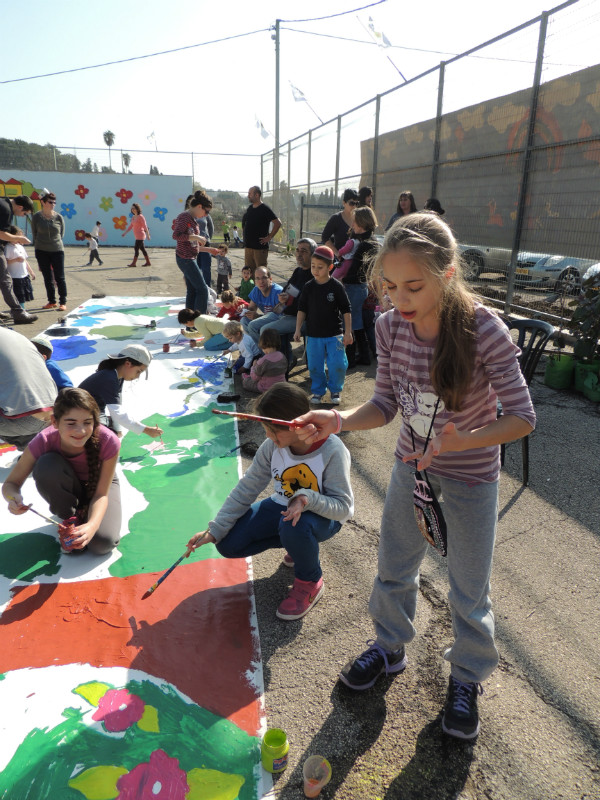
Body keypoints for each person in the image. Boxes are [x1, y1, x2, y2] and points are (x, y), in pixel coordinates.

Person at [293, 212, 536, 740]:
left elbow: (523, 417)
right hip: (411, 471)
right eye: (389, 285)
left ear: (447, 275)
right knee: (394, 565)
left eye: (414, 286)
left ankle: (466, 678)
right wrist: (335, 420)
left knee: (469, 588)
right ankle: (389, 647)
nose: (399, 298)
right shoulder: (386, 326)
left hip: (471, 476)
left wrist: (464, 440)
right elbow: (384, 404)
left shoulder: (483, 329)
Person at [186, 383, 354, 620]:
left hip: (324, 518)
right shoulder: (271, 446)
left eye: (272, 430)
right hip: (284, 509)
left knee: (293, 525)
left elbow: (343, 508)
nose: (267, 435)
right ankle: (299, 546)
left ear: (297, 425)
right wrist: (215, 529)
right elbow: (247, 487)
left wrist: (306, 498)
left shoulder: (332, 449)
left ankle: (311, 580)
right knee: (228, 543)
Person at [3, 387, 122, 555]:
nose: (80, 431)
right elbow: (10, 484)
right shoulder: (43, 441)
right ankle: (70, 518)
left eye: (87, 422)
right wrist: (12, 498)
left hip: (99, 486)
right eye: (71, 423)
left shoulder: (109, 441)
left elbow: (101, 494)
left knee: (102, 544)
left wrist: (92, 526)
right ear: (54, 422)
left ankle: (85, 516)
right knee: (46, 464)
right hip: (67, 487)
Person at [294, 245, 352, 406]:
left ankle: (335, 390)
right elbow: (301, 309)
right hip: (313, 335)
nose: (316, 270)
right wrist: (298, 329)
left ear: (330, 267)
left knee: (338, 364)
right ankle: (318, 391)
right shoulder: (308, 287)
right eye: (313, 266)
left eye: (320, 267)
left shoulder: (336, 286)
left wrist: (348, 332)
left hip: (335, 335)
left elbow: (346, 310)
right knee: (314, 365)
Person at [79, 344, 163, 440]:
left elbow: (117, 408)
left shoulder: (117, 376)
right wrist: (146, 429)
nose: (137, 376)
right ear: (128, 364)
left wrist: (117, 429)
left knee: (110, 432)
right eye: (138, 371)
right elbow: (117, 413)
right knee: (104, 438)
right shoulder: (109, 378)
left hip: (92, 412)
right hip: (80, 414)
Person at [0, 327, 56, 449]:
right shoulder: (14, 334)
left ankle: (31, 447)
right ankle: (33, 450)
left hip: (23, 419)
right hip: (51, 413)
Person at [340, 206, 379, 368]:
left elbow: (354, 270)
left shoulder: (363, 245)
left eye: (355, 222)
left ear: (362, 224)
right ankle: (363, 356)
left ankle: (350, 359)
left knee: (350, 322)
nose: (353, 224)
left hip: (354, 286)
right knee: (358, 323)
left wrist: (341, 279)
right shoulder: (373, 241)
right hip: (362, 286)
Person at [172, 190, 219, 315]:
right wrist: (196, 237)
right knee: (203, 289)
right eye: (206, 211)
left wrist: (209, 250)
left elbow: (191, 245)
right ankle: (200, 319)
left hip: (190, 258)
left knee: (192, 289)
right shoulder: (184, 217)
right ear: (199, 206)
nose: (206, 215)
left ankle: (189, 318)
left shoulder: (192, 219)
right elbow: (176, 235)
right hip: (185, 259)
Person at [0, 194, 38, 324]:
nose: (23, 216)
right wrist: (18, 239)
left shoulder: (3, 202)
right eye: (25, 213)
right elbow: (1, 233)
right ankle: (18, 312)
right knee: (5, 280)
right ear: (20, 206)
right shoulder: (6, 209)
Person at [31, 190, 68, 311]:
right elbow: (34, 234)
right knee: (47, 277)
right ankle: (51, 301)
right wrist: (39, 245)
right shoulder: (36, 217)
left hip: (57, 250)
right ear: (43, 202)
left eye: (54, 202)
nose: (53, 204)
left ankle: (63, 301)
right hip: (41, 251)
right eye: (50, 202)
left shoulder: (59, 217)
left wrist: (54, 243)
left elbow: (61, 234)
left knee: (60, 277)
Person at [178, 291, 249, 351]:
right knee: (209, 343)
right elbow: (200, 333)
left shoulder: (197, 322)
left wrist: (197, 344)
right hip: (228, 327)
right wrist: (186, 334)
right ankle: (232, 341)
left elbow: (208, 337)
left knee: (207, 346)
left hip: (226, 331)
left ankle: (233, 344)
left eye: (185, 324)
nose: (186, 326)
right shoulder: (199, 318)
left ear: (188, 321)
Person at [242, 186, 281, 274]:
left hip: (259, 248)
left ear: (257, 195)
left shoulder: (265, 209)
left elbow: (278, 223)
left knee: (261, 272)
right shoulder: (250, 208)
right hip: (248, 247)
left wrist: (269, 237)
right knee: (248, 272)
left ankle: (262, 288)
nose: (248, 196)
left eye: (250, 194)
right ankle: (249, 288)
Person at [242, 267, 283, 343]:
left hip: (280, 319)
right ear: (255, 281)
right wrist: (244, 310)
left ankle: (263, 350)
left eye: (264, 278)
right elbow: (251, 308)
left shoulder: (278, 291)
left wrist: (258, 317)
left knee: (253, 325)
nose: (261, 281)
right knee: (244, 320)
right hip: (267, 318)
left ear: (270, 279)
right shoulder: (256, 290)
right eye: (257, 278)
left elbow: (277, 315)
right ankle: (259, 348)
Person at [242, 328, 288, 393]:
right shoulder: (282, 356)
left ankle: (246, 378)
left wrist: (253, 366)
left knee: (246, 382)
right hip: (280, 386)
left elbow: (255, 378)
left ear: (262, 343)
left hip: (266, 388)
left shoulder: (263, 361)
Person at [320, 188, 359, 257]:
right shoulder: (336, 218)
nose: (354, 206)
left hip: (356, 259)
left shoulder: (359, 219)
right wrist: (337, 253)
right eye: (352, 203)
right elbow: (325, 237)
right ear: (344, 203)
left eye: (357, 203)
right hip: (341, 260)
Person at [5, 226, 35, 309]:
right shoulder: (8, 248)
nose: (20, 239)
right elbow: (6, 262)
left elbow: (25, 260)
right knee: (18, 294)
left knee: (24, 294)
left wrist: (31, 271)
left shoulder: (20, 247)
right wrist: (15, 259)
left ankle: (21, 308)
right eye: (18, 237)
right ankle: (20, 309)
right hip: (15, 276)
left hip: (24, 274)